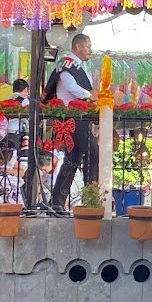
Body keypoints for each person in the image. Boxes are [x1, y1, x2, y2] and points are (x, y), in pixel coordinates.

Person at [45, 34, 98, 211]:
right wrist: (91, 96)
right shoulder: (67, 64)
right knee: (93, 151)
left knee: (72, 159)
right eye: (88, 46)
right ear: (78, 46)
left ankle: (57, 202)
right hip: (72, 117)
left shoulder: (81, 66)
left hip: (80, 117)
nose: (90, 50)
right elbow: (72, 88)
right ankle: (91, 198)